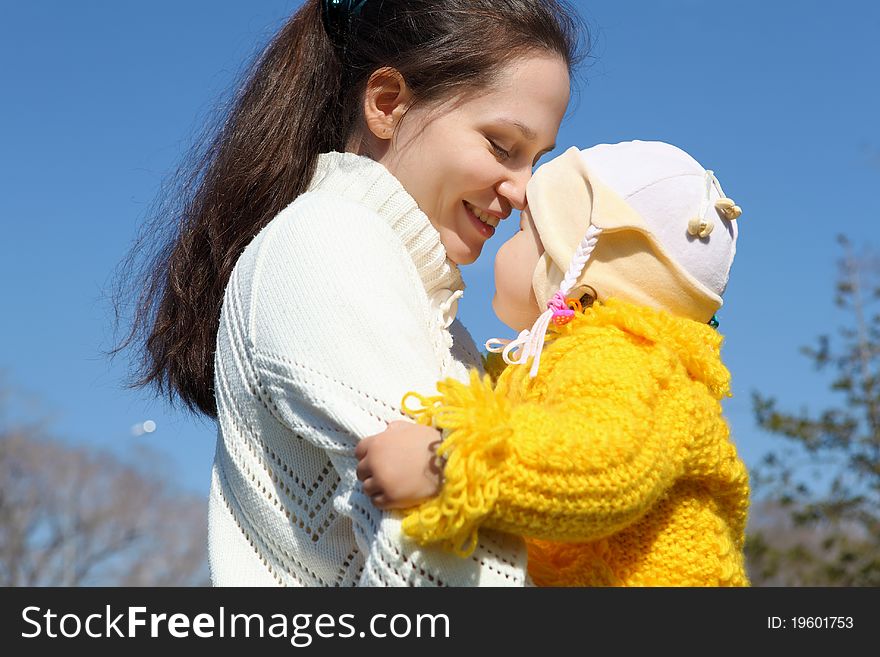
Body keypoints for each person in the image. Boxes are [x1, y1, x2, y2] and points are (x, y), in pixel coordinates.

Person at [120, 0, 582, 585]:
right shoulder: (328, 240)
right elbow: (435, 546)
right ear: (388, 104)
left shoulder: (439, 319)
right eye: (500, 146)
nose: (523, 191)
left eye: (535, 160)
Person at [355, 141, 751, 586]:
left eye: (524, 231)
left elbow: (604, 464)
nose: (507, 240)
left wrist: (447, 460)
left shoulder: (627, 360)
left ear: (574, 266)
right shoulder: (567, 359)